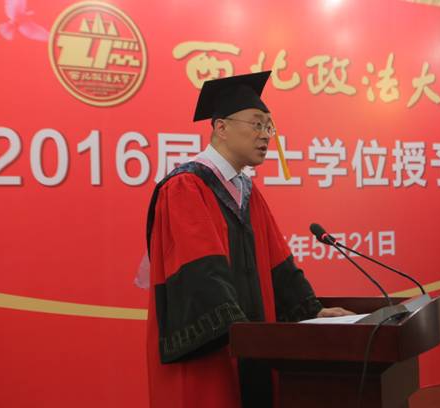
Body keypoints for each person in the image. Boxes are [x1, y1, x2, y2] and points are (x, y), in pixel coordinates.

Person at [145, 71, 352, 408]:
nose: (266, 135)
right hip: (211, 351)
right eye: (256, 124)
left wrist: (313, 310)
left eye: (269, 126)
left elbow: (278, 263)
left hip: (249, 346)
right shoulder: (185, 187)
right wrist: (241, 331)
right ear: (221, 127)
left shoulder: (246, 191)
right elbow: (201, 273)